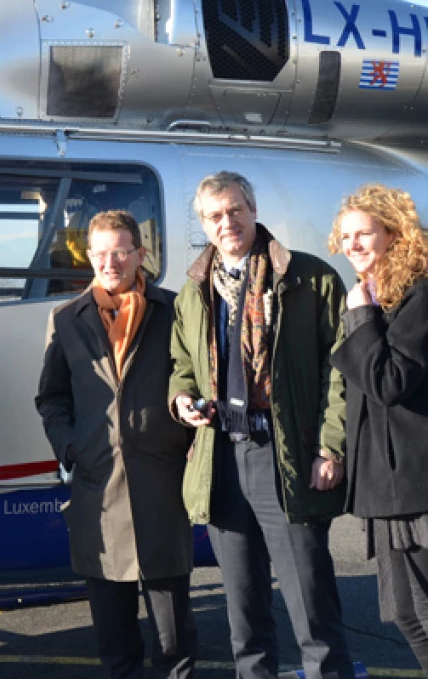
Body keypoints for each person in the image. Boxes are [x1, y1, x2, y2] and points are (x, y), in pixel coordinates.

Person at [169, 171, 354, 679]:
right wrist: (181, 398)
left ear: (252, 210)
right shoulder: (194, 290)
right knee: (244, 616)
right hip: (222, 457)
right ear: (204, 225)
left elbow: (339, 374)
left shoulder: (309, 279)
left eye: (234, 210)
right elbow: (182, 364)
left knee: (312, 609)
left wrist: (330, 449)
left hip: (284, 454)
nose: (226, 222)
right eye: (214, 215)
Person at [36, 210, 197, 678]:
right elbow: (52, 397)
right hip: (98, 491)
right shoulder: (66, 318)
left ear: (140, 255)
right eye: (101, 253)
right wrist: (70, 448)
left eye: (121, 251)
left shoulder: (173, 311)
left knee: (175, 641)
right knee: (116, 642)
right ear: (89, 257)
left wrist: (188, 444)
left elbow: (193, 380)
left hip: (162, 487)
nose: (111, 262)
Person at [328, 184, 428, 670]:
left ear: (393, 233)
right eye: (345, 236)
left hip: (417, 486)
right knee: (406, 614)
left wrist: (360, 315)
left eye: (364, 233)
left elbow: (390, 382)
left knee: (425, 612)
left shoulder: (417, 294)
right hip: (386, 488)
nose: (353, 245)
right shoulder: (373, 295)